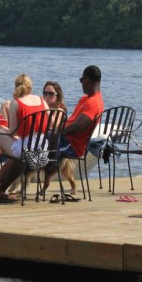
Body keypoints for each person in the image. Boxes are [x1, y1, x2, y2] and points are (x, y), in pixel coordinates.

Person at [0, 73, 50, 197]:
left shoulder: (16, 103)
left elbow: (13, 132)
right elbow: (51, 123)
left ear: (16, 87)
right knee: (16, 152)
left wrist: (2, 129)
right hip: (43, 149)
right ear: (30, 87)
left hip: (25, 150)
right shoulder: (42, 100)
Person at [41, 66, 104, 194]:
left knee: (35, 144)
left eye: (81, 80)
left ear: (88, 80)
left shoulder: (93, 102)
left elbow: (77, 127)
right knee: (37, 138)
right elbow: (72, 121)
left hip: (72, 145)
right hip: (66, 139)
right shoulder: (85, 99)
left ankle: (27, 178)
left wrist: (58, 131)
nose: (81, 83)